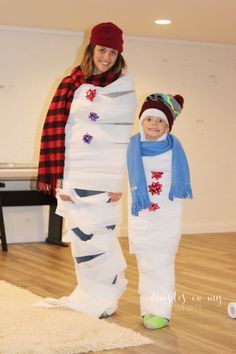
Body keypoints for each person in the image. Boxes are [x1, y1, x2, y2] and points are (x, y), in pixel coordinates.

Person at [36, 22, 137, 318]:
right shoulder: (72, 84)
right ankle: (90, 293)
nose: (106, 57)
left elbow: (121, 138)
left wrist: (118, 180)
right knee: (80, 238)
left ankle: (109, 293)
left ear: (119, 54)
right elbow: (62, 130)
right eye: (102, 49)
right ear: (91, 49)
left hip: (105, 177)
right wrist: (62, 181)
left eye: (113, 52)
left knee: (102, 237)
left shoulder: (124, 87)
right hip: (75, 171)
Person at [127, 93, 192, 329]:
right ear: (142, 122)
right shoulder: (132, 148)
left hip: (167, 218)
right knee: (146, 263)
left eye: (160, 120)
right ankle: (148, 309)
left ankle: (161, 311)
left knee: (162, 262)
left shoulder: (174, 150)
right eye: (149, 119)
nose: (154, 124)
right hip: (142, 217)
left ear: (168, 125)